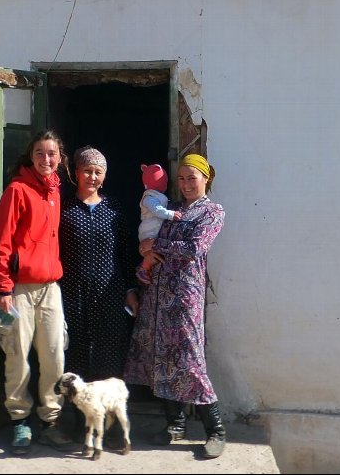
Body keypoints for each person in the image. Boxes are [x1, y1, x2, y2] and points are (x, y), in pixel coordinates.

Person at [123, 153, 228, 459]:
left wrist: (157, 246)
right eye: (180, 178)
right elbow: (151, 242)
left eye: (191, 178)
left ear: (205, 178)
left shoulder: (212, 212)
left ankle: (216, 430)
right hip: (157, 296)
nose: (185, 184)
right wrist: (146, 257)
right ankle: (175, 426)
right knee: (161, 360)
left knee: (191, 362)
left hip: (185, 299)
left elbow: (195, 249)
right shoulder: (172, 210)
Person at [0, 129, 76, 455]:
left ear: (59, 157)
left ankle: (51, 422)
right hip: (18, 291)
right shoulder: (17, 190)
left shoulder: (55, 191)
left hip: (50, 287)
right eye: (40, 153)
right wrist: (2, 288)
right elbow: (3, 242)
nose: (46, 159)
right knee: (17, 357)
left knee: (55, 355)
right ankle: (19, 422)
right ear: (31, 156)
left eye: (52, 153)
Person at [60, 146, 138, 383]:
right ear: (76, 173)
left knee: (110, 349)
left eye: (98, 172)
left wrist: (130, 289)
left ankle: (105, 411)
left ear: (104, 177)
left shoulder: (113, 209)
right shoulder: (64, 209)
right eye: (87, 171)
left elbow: (125, 252)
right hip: (73, 293)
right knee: (76, 350)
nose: (92, 177)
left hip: (110, 293)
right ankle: (79, 413)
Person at [135, 163, 182, 285]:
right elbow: (157, 210)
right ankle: (144, 269)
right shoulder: (149, 198)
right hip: (149, 231)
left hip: (152, 229)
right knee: (152, 253)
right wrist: (170, 214)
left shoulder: (156, 196)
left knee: (156, 252)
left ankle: (147, 270)